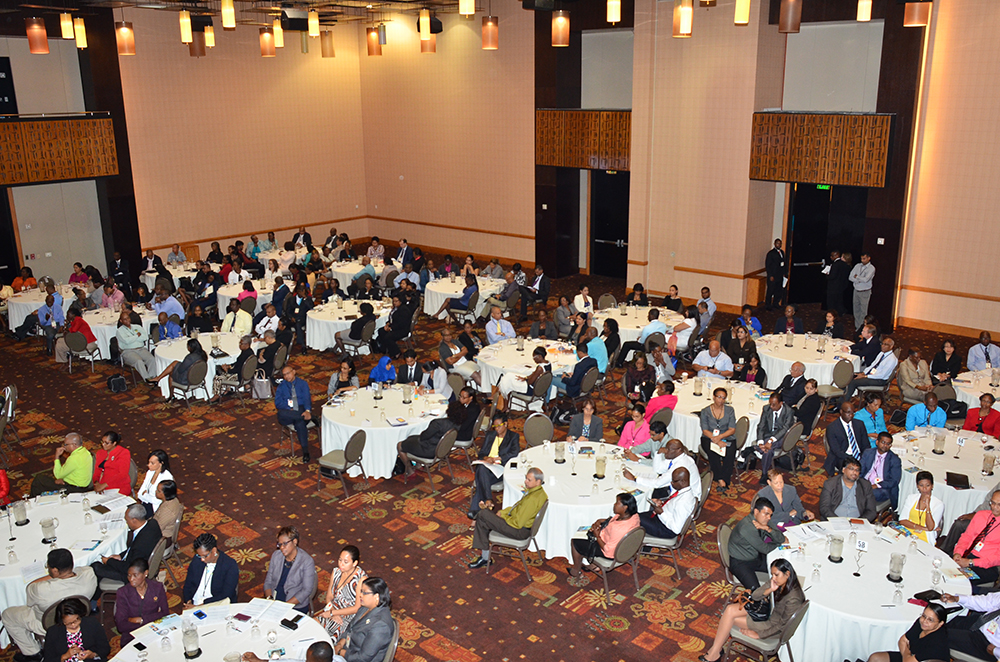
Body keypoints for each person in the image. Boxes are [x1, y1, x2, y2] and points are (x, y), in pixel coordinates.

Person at [1, 549, 97, 662]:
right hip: (79, 618)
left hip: (50, 623)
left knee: (7, 615)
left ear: (55, 570)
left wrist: (53, 577)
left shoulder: (41, 589)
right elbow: (78, 570)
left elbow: (30, 591)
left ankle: (33, 653)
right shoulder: (89, 574)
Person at [699, 558, 804, 662]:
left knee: (730, 620)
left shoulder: (794, 598)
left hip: (771, 625)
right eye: (772, 575)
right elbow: (755, 596)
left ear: (787, 574)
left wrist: (759, 635)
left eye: (776, 575)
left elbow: (782, 626)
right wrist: (770, 590)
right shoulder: (777, 581)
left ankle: (715, 652)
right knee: (729, 610)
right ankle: (716, 650)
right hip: (767, 611)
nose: (773, 578)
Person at [468, 468, 548, 570]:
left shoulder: (532, 499)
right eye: (526, 478)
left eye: (529, 480)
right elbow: (517, 507)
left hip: (519, 531)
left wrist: (504, 517)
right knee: (483, 519)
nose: (525, 481)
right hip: (519, 525)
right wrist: (503, 512)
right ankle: (485, 557)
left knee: (483, 515)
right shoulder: (539, 493)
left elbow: (518, 523)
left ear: (538, 482)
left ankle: (485, 558)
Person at [569, 493, 641, 578]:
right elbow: (614, 520)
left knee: (575, 542)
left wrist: (597, 536)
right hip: (626, 548)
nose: (614, 504)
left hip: (611, 553)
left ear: (625, 507)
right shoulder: (634, 516)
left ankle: (576, 571)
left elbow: (608, 551)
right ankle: (594, 566)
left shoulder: (618, 529)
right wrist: (600, 521)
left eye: (617, 503)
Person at [91, 504, 162, 584]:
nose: (126, 522)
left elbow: (128, 568)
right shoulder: (153, 523)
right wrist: (121, 556)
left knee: (95, 566)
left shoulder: (140, 546)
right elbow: (133, 548)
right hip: (140, 560)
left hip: (132, 574)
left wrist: (109, 561)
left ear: (134, 520)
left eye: (127, 520)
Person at [726, 498, 786, 591]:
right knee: (757, 592)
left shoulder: (764, 520)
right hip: (740, 562)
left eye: (770, 515)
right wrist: (778, 544)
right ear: (756, 512)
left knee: (783, 570)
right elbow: (765, 549)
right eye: (766, 514)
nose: (769, 518)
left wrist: (768, 529)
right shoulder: (747, 527)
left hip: (755, 556)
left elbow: (781, 538)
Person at [328, 577, 394, 662]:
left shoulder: (381, 626)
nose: (360, 595)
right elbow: (350, 628)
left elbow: (362, 658)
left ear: (376, 596)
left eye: (364, 593)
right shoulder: (365, 607)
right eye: (361, 591)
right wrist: (340, 644)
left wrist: (340, 652)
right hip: (347, 650)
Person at [467, 412, 520, 519]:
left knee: (481, 478)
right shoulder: (490, 435)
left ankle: (476, 510)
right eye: (495, 426)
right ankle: (488, 500)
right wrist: (486, 458)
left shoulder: (513, 436)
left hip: (500, 469)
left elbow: (514, 453)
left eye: (499, 426)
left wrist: (499, 458)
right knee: (482, 470)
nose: (497, 429)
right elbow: (482, 453)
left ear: (506, 424)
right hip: (487, 467)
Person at [396, 401, 464, 479]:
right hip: (442, 450)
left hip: (429, 451)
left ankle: (410, 471)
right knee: (412, 438)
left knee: (400, 445)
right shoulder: (458, 424)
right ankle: (418, 465)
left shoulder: (437, 423)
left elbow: (424, 437)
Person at [114, 558, 169, 645]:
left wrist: (142, 620)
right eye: (129, 575)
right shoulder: (123, 592)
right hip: (132, 635)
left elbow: (165, 613)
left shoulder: (157, 587)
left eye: (135, 575)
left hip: (154, 631)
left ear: (145, 573)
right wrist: (153, 618)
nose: (131, 579)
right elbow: (121, 626)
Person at [263, 526, 317, 613]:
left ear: (295, 541)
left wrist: (284, 606)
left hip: (295, 606)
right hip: (274, 601)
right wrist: (269, 599)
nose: (281, 547)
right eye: (279, 544)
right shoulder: (276, 555)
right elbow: (268, 582)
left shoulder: (307, 561)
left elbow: (306, 591)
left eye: (285, 544)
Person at [952, 489, 1000, 586]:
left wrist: (970, 562)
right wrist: (958, 553)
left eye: (999, 505)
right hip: (968, 554)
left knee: (960, 580)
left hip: (986, 565)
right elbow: (966, 536)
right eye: (993, 503)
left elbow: (996, 558)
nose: (995, 507)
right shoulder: (981, 515)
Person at [319, 545, 367, 641]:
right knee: (311, 627)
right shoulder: (336, 572)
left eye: (345, 562)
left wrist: (333, 613)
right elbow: (329, 597)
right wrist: (332, 612)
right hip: (332, 609)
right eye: (340, 560)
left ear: (355, 563)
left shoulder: (360, 579)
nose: (341, 564)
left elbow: (356, 608)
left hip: (347, 617)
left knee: (326, 641)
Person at [624, 436, 698, 499]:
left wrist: (635, 478)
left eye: (668, 449)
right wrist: (658, 453)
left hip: (685, 497)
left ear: (678, 450)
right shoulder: (676, 457)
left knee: (647, 494)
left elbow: (658, 483)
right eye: (666, 448)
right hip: (676, 489)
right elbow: (658, 470)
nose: (665, 451)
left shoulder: (680, 465)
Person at [41, 598, 110, 662]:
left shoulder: (92, 623)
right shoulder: (53, 632)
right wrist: (65, 656)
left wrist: (92, 655)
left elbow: (105, 648)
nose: (73, 625)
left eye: (76, 620)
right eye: (69, 623)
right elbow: (48, 659)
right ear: (62, 621)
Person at [182, 533, 240, 607]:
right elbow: (188, 584)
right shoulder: (197, 559)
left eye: (205, 556)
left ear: (214, 551)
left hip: (215, 605)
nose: (202, 559)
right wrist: (188, 602)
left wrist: (199, 607)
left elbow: (226, 595)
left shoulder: (230, 565)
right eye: (199, 555)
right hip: (194, 603)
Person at [748, 393, 794, 483]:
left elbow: (785, 429)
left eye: (774, 405)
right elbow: (761, 426)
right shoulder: (766, 409)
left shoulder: (789, 411)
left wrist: (771, 441)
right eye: (770, 404)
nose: (771, 407)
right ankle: (764, 474)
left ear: (781, 403)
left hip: (782, 437)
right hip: (768, 435)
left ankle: (755, 449)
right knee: (768, 450)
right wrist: (760, 442)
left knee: (769, 448)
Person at [700, 387, 738, 492]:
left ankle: (725, 478)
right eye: (719, 397)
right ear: (713, 397)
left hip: (726, 436)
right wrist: (716, 440)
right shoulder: (705, 411)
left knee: (729, 454)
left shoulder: (730, 410)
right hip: (709, 437)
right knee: (713, 453)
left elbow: (732, 429)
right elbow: (705, 430)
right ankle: (720, 479)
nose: (721, 400)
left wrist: (719, 438)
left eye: (723, 398)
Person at [894, 470, 944, 547]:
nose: (924, 488)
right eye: (921, 485)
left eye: (927, 485)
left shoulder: (938, 504)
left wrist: (928, 507)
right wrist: (923, 528)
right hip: (907, 532)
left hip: (924, 537)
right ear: (917, 486)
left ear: (932, 486)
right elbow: (902, 520)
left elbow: (931, 527)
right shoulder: (911, 498)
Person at [276, 365, 315, 461]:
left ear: (294, 372)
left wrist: (307, 410)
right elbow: (278, 403)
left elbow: (307, 399)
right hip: (287, 412)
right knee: (280, 414)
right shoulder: (281, 386)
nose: (286, 376)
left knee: (300, 423)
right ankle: (310, 417)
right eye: (284, 375)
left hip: (300, 408)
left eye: (288, 373)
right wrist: (288, 407)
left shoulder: (303, 384)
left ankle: (305, 451)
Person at [842, 336, 898, 403]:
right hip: (872, 375)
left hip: (879, 380)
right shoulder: (881, 353)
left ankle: (842, 404)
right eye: (882, 344)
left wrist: (865, 376)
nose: (882, 346)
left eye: (885, 344)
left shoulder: (892, 359)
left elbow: (882, 375)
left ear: (891, 346)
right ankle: (838, 398)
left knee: (853, 382)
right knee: (849, 375)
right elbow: (872, 365)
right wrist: (863, 373)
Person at [861, 431, 903, 509]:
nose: (885, 445)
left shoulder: (894, 460)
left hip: (882, 487)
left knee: (867, 493)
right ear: (877, 442)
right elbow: (860, 470)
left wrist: (875, 485)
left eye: (888, 444)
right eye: (883, 442)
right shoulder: (868, 453)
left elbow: (894, 481)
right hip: (865, 483)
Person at [824, 402, 868, 475]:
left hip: (859, 454)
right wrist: (852, 459)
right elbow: (837, 451)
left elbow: (866, 444)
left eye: (852, 413)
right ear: (841, 412)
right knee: (850, 471)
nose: (851, 415)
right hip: (843, 457)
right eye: (848, 413)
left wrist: (865, 456)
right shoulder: (832, 428)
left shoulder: (859, 424)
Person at [116, 310, 157, 382]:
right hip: (128, 351)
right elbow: (127, 341)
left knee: (151, 359)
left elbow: (145, 337)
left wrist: (132, 338)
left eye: (128, 318)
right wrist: (137, 336)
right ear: (121, 321)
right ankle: (147, 379)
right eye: (125, 319)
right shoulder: (120, 331)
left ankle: (152, 377)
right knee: (139, 361)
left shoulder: (137, 327)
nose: (127, 320)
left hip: (141, 349)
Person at [91, 430, 131, 496]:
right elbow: (97, 471)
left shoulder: (123, 453)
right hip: (103, 488)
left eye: (107, 443)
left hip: (119, 487)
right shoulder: (100, 453)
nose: (103, 444)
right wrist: (96, 483)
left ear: (114, 443)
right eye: (102, 442)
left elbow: (123, 474)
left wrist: (104, 485)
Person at [136, 449, 172, 517]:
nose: (149, 465)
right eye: (149, 462)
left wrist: (145, 495)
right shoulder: (150, 472)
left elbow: (158, 500)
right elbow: (139, 493)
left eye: (152, 463)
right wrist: (145, 495)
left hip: (156, 509)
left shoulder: (167, 478)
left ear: (161, 463)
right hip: (146, 503)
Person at [849, 252, 875, 329]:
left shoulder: (871, 268)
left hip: (865, 291)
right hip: (856, 290)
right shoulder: (857, 266)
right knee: (856, 310)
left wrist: (857, 277)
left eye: (864, 258)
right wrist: (858, 280)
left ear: (869, 258)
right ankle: (857, 327)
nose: (862, 260)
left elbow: (866, 279)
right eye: (861, 259)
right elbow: (850, 277)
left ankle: (862, 327)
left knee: (863, 311)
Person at [764, 238, 786, 310]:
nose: (779, 245)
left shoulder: (782, 252)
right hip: (773, 275)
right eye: (777, 243)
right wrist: (770, 275)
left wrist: (784, 273)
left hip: (780, 275)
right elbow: (768, 265)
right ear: (774, 244)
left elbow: (783, 263)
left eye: (780, 243)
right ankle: (768, 305)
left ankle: (776, 303)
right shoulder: (771, 253)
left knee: (778, 290)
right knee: (770, 291)